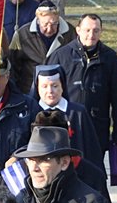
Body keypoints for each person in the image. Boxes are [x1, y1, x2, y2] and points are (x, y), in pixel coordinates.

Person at [48, 13, 117, 169]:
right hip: (66, 126)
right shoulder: (60, 56)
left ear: (101, 32)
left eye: (96, 30)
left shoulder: (111, 58)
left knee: (94, 173)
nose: (91, 35)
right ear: (78, 30)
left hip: (96, 128)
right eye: (87, 30)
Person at [34, 65, 106, 193]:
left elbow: (91, 149)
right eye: (44, 86)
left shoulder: (78, 112)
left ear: (63, 86)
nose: (50, 91)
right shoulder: (32, 113)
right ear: (37, 88)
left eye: (55, 86)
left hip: (77, 177)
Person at [6, 0, 73, 95]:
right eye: (45, 24)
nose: (49, 29)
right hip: (30, 90)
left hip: (59, 90)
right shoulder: (23, 35)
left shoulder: (69, 33)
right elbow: (13, 65)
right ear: (37, 21)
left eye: (54, 24)